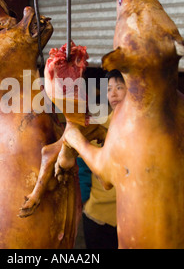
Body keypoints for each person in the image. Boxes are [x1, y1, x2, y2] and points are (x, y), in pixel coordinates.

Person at [78, 69, 127, 249]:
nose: (113, 93)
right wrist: (83, 200)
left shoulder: (144, 132)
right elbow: (82, 165)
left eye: (119, 87)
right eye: (109, 89)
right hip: (98, 217)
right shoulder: (98, 127)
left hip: (132, 218)